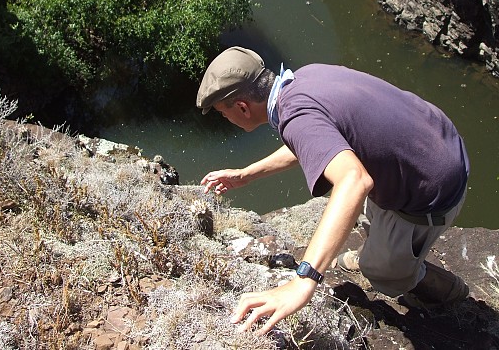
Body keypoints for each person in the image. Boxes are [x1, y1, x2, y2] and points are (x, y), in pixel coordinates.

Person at [196, 46, 470, 335]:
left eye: (223, 113)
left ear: (242, 107)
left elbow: (354, 180)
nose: (225, 119)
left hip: (433, 188)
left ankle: (447, 290)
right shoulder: (304, 78)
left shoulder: (297, 117)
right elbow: (316, 142)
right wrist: (246, 174)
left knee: (383, 273)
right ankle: (375, 251)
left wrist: (304, 280)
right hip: (436, 142)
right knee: (370, 216)